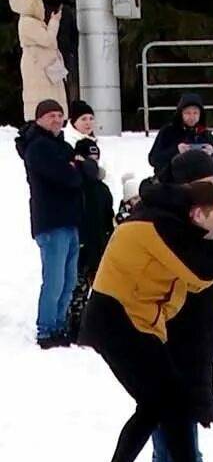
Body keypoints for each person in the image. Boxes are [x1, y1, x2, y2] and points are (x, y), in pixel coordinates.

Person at [86, 179, 213, 462]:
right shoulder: (155, 227)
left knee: (158, 403)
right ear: (197, 214)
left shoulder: (172, 227)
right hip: (118, 320)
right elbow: (199, 271)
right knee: (170, 401)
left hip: (136, 322)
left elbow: (197, 281)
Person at [17, 99, 83, 348]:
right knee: (54, 279)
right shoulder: (38, 147)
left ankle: (59, 324)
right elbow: (68, 176)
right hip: (51, 221)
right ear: (39, 119)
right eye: (50, 115)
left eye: (59, 115)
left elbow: (84, 172)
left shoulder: (61, 145)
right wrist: (74, 169)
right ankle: (46, 329)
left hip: (70, 220)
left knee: (69, 279)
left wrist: (76, 168)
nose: (56, 119)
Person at [65, 100, 117, 336]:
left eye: (90, 118)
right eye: (83, 119)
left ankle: (92, 324)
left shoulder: (101, 187)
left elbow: (108, 213)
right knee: (77, 284)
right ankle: (74, 323)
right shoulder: (76, 183)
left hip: (99, 237)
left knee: (97, 283)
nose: (88, 123)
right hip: (82, 237)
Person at [11, 0, 68, 120]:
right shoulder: (28, 21)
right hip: (38, 67)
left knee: (51, 96)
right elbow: (47, 40)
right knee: (41, 98)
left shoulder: (35, 21)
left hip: (47, 66)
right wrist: (55, 22)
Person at [146, 92, 213, 178]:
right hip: (171, 182)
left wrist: (211, 154)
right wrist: (176, 150)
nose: (192, 117)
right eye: (187, 113)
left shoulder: (206, 135)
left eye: (195, 113)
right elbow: (153, 159)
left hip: (198, 183)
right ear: (181, 113)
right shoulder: (167, 132)